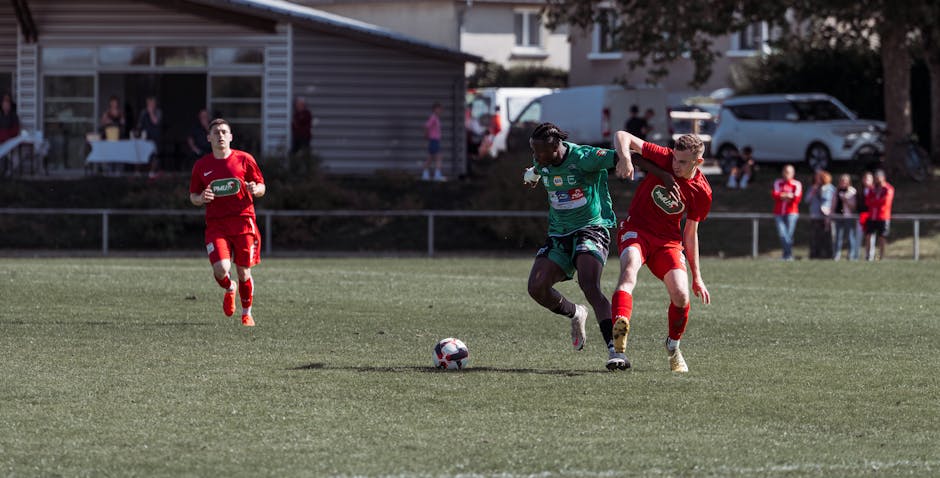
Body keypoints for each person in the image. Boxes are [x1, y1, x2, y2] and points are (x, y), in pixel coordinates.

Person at [523, 122, 639, 369]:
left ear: (556, 147)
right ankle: (576, 313)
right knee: (536, 287)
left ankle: (615, 351)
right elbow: (537, 170)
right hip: (559, 234)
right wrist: (532, 174)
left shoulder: (584, 157)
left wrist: (632, 163)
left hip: (592, 228)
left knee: (589, 284)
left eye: (540, 152)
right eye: (533, 151)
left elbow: (624, 154)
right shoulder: (543, 163)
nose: (536, 156)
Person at [609, 130, 712, 373]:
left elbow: (690, 233)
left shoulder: (702, 192)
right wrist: (625, 158)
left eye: (683, 162)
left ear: (698, 162)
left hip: (668, 242)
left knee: (681, 295)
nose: (676, 164)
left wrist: (697, 276)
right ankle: (618, 345)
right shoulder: (665, 157)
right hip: (636, 229)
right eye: (675, 158)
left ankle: (673, 346)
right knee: (629, 270)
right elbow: (622, 135)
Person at [189, 118, 266, 327]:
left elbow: (261, 186)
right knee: (221, 269)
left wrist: (254, 189)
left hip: (243, 222)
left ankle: (247, 314)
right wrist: (201, 198)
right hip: (216, 225)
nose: (220, 135)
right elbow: (193, 197)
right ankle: (229, 287)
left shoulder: (244, 159)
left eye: (224, 132)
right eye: (216, 132)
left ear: (231, 136)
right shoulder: (202, 166)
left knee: (243, 271)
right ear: (209, 137)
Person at [772, 164, 802, 261]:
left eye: (788, 172)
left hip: (791, 212)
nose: (786, 174)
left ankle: (787, 255)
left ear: (793, 173)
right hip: (779, 212)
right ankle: (788, 255)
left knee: (788, 235)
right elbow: (775, 195)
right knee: (782, 234)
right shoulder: (778, 182)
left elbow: (796, 198)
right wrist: (787, 195)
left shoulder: (796, 184)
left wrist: (785, 196)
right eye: (785, 172)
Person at [804, 169, 835, 259]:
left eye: (820, 177)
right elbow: (807, 200)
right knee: (814, 237)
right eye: (816, 177)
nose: (818, 179)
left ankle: (827, 255)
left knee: (826, 236)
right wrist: (813, 190)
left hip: (826, 217)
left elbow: (833, 200)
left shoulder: (829, 188)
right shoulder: (812, 188)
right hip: (815, 216)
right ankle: (814, 254)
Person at [864, 169, 894, 261]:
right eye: (876, 178)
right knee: (868, 235)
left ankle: (881, 256)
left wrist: (875, 202)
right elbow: (868, 201)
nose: (877, 180)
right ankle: (868, 256)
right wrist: (876, 202)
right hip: (872, 216)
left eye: (878, 178)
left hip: (882, 217)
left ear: (883, 178)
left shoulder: (888, 188)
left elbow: (885, 202)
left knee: (882, 237)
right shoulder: (872, 189)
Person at [832, 174, 859, 260]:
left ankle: (851, 255)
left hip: (848, 216)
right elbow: (833, 204)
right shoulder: (836, 191)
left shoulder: (852, 191)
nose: (843, 182)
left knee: (850, 236)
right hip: (838, 216)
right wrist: (831, 214)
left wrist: (845, 200)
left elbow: (853, 207)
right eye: (842, 180)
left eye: (845, 180)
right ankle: (837, 255)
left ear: (848, 181)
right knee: (838, 237)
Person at [135, 96, 162, 177]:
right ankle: (138, 172)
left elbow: (156, 122)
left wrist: (151, 113)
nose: (150, 105)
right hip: (145, 137)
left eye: (152, 103)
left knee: (154, 155)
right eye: (149, 103)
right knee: (139, 153)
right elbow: (139, 124)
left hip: (154, 137)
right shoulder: (143, 112)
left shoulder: (158, 112)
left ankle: (152, 172)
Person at [421, 102, 444, 181]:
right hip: (434, 140)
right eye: (438, 109)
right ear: (434, 110)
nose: (440, 111)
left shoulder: (436, 118)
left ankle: (425, 174)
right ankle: (437, 175)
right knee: (438, 157)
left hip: (435, 140)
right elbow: (426, 126)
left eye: (441, 109)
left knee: (430, 158)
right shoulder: (433, 118)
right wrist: (426, 135)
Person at [0, 92, 20, 176]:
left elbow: (16, 129)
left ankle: (9, 172)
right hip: (0, 141)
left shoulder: (13, 116)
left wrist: (7, 135)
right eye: (4, 103)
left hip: (10, 141)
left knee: (13, 157)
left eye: (7, 102)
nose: (6, 105)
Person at [857, 171, 874, 259]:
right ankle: (856, 255)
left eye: (868, 179)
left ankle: (869, 256)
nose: (866, 180)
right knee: (859, 236)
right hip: (862, 216)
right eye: (865, 178)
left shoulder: (874, 190)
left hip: (871, 216)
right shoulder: (860, 190)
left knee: (870, 237)